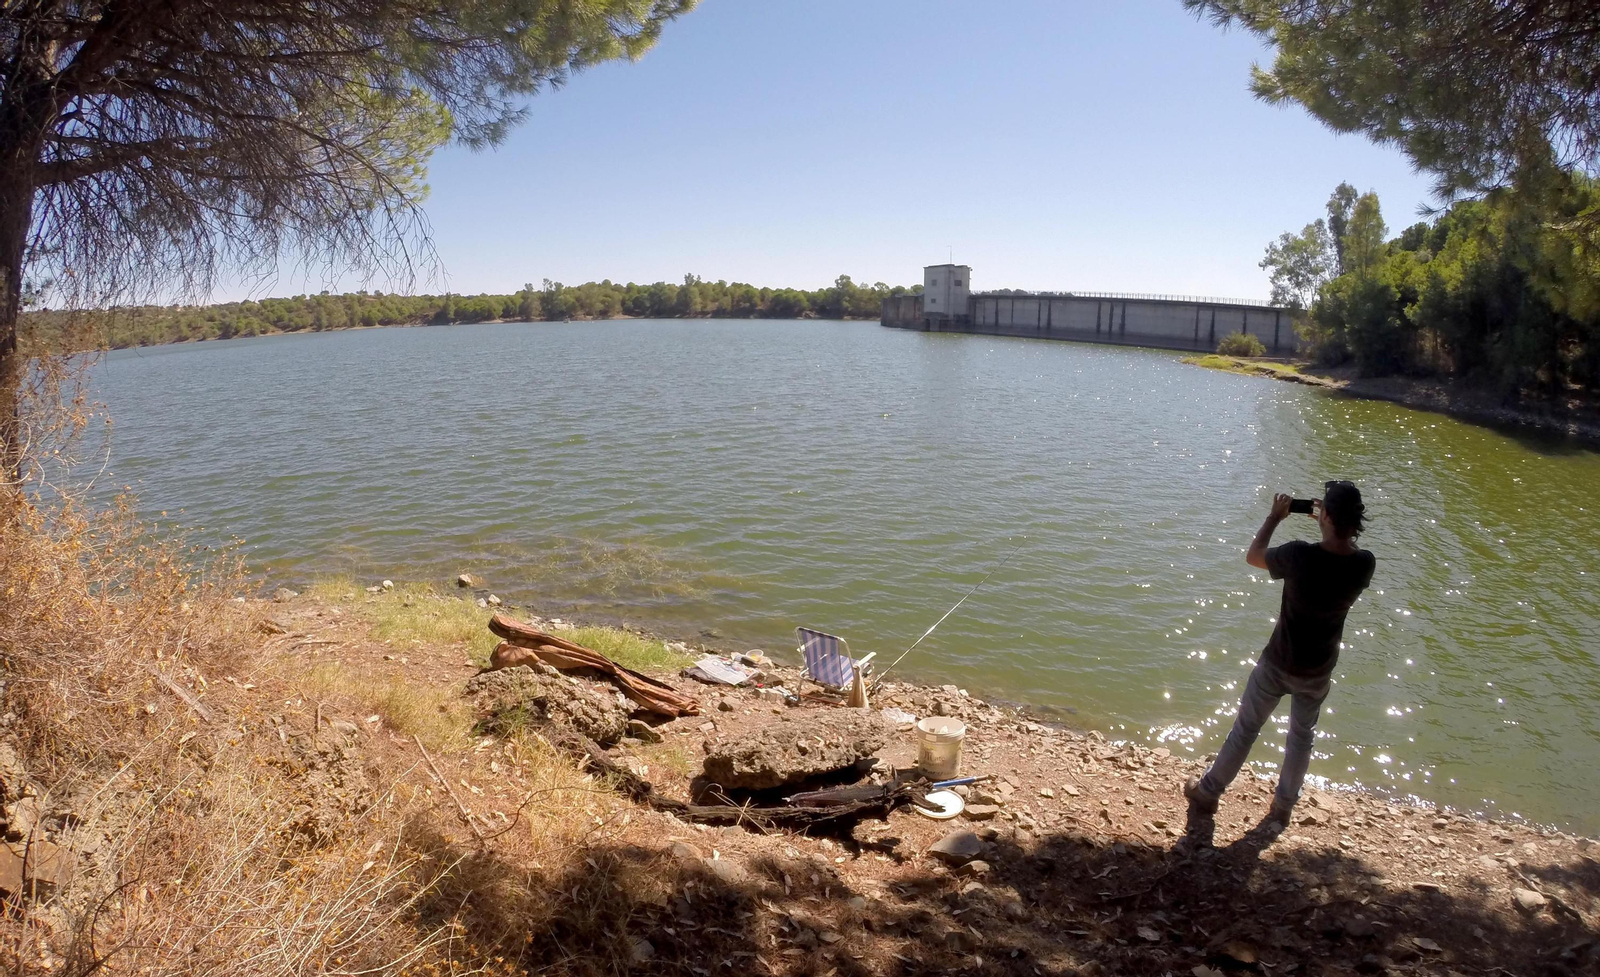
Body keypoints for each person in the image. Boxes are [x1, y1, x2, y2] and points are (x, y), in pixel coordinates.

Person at [1184, 480, 1376, 826]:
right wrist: (1331, 521)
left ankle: (1209, 792)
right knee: (1301, 739)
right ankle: (1283, 807)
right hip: (1318, 670)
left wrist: (1275, 517)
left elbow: (1253, 557)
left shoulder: (1299, 555)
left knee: (1246, 729)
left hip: (1278, 662)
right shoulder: (1364, 564)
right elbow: (1342, 550)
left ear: (1325, 514)